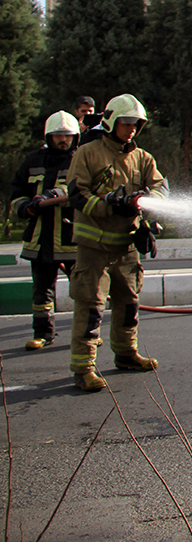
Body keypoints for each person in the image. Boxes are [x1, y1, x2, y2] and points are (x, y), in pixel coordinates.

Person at [66, 93, 168, 392]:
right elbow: (77, 194)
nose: (132, 129)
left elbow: (161, 186)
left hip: (127, 245)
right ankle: (83, 367)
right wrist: (110, 205)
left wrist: (147, 204)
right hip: (93, 247)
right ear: (111, 122)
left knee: (129, 303)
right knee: (91, 306)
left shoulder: (143, 158)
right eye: (126, 123)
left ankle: (125, 354)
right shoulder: (87, 153)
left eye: (136, 124)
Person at [9, 111, 80, 350]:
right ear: (48, 136)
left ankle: (87, 333)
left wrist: (54, 195)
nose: (63, 140)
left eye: (68, 135)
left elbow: (83, 190)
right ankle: (43, 334)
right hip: (39, 240)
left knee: (83, 291)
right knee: (41, 292)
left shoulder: (80, 160)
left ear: (75, 137)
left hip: (71, 239)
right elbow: (17, 193)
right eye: (58, 135)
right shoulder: (33, 161)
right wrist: (25, 208)